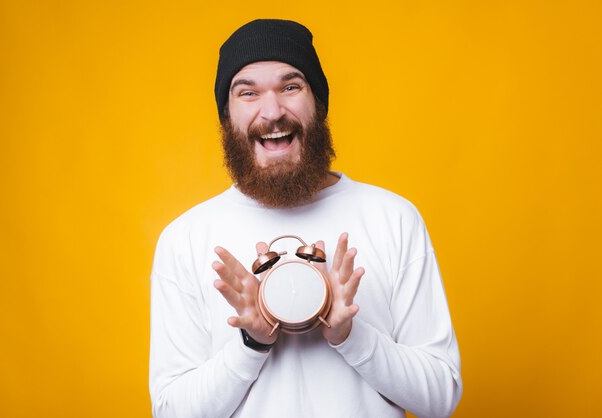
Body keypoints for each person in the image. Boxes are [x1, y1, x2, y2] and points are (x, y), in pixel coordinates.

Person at [149, 19, 462, 418]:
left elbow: (440, 399)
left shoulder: (393, 218)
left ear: (319, 103)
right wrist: (251, 344)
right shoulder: (186, 239)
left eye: (290, 87)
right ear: (227, 116)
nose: (272, 111)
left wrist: (351, 335)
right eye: (247, 92)